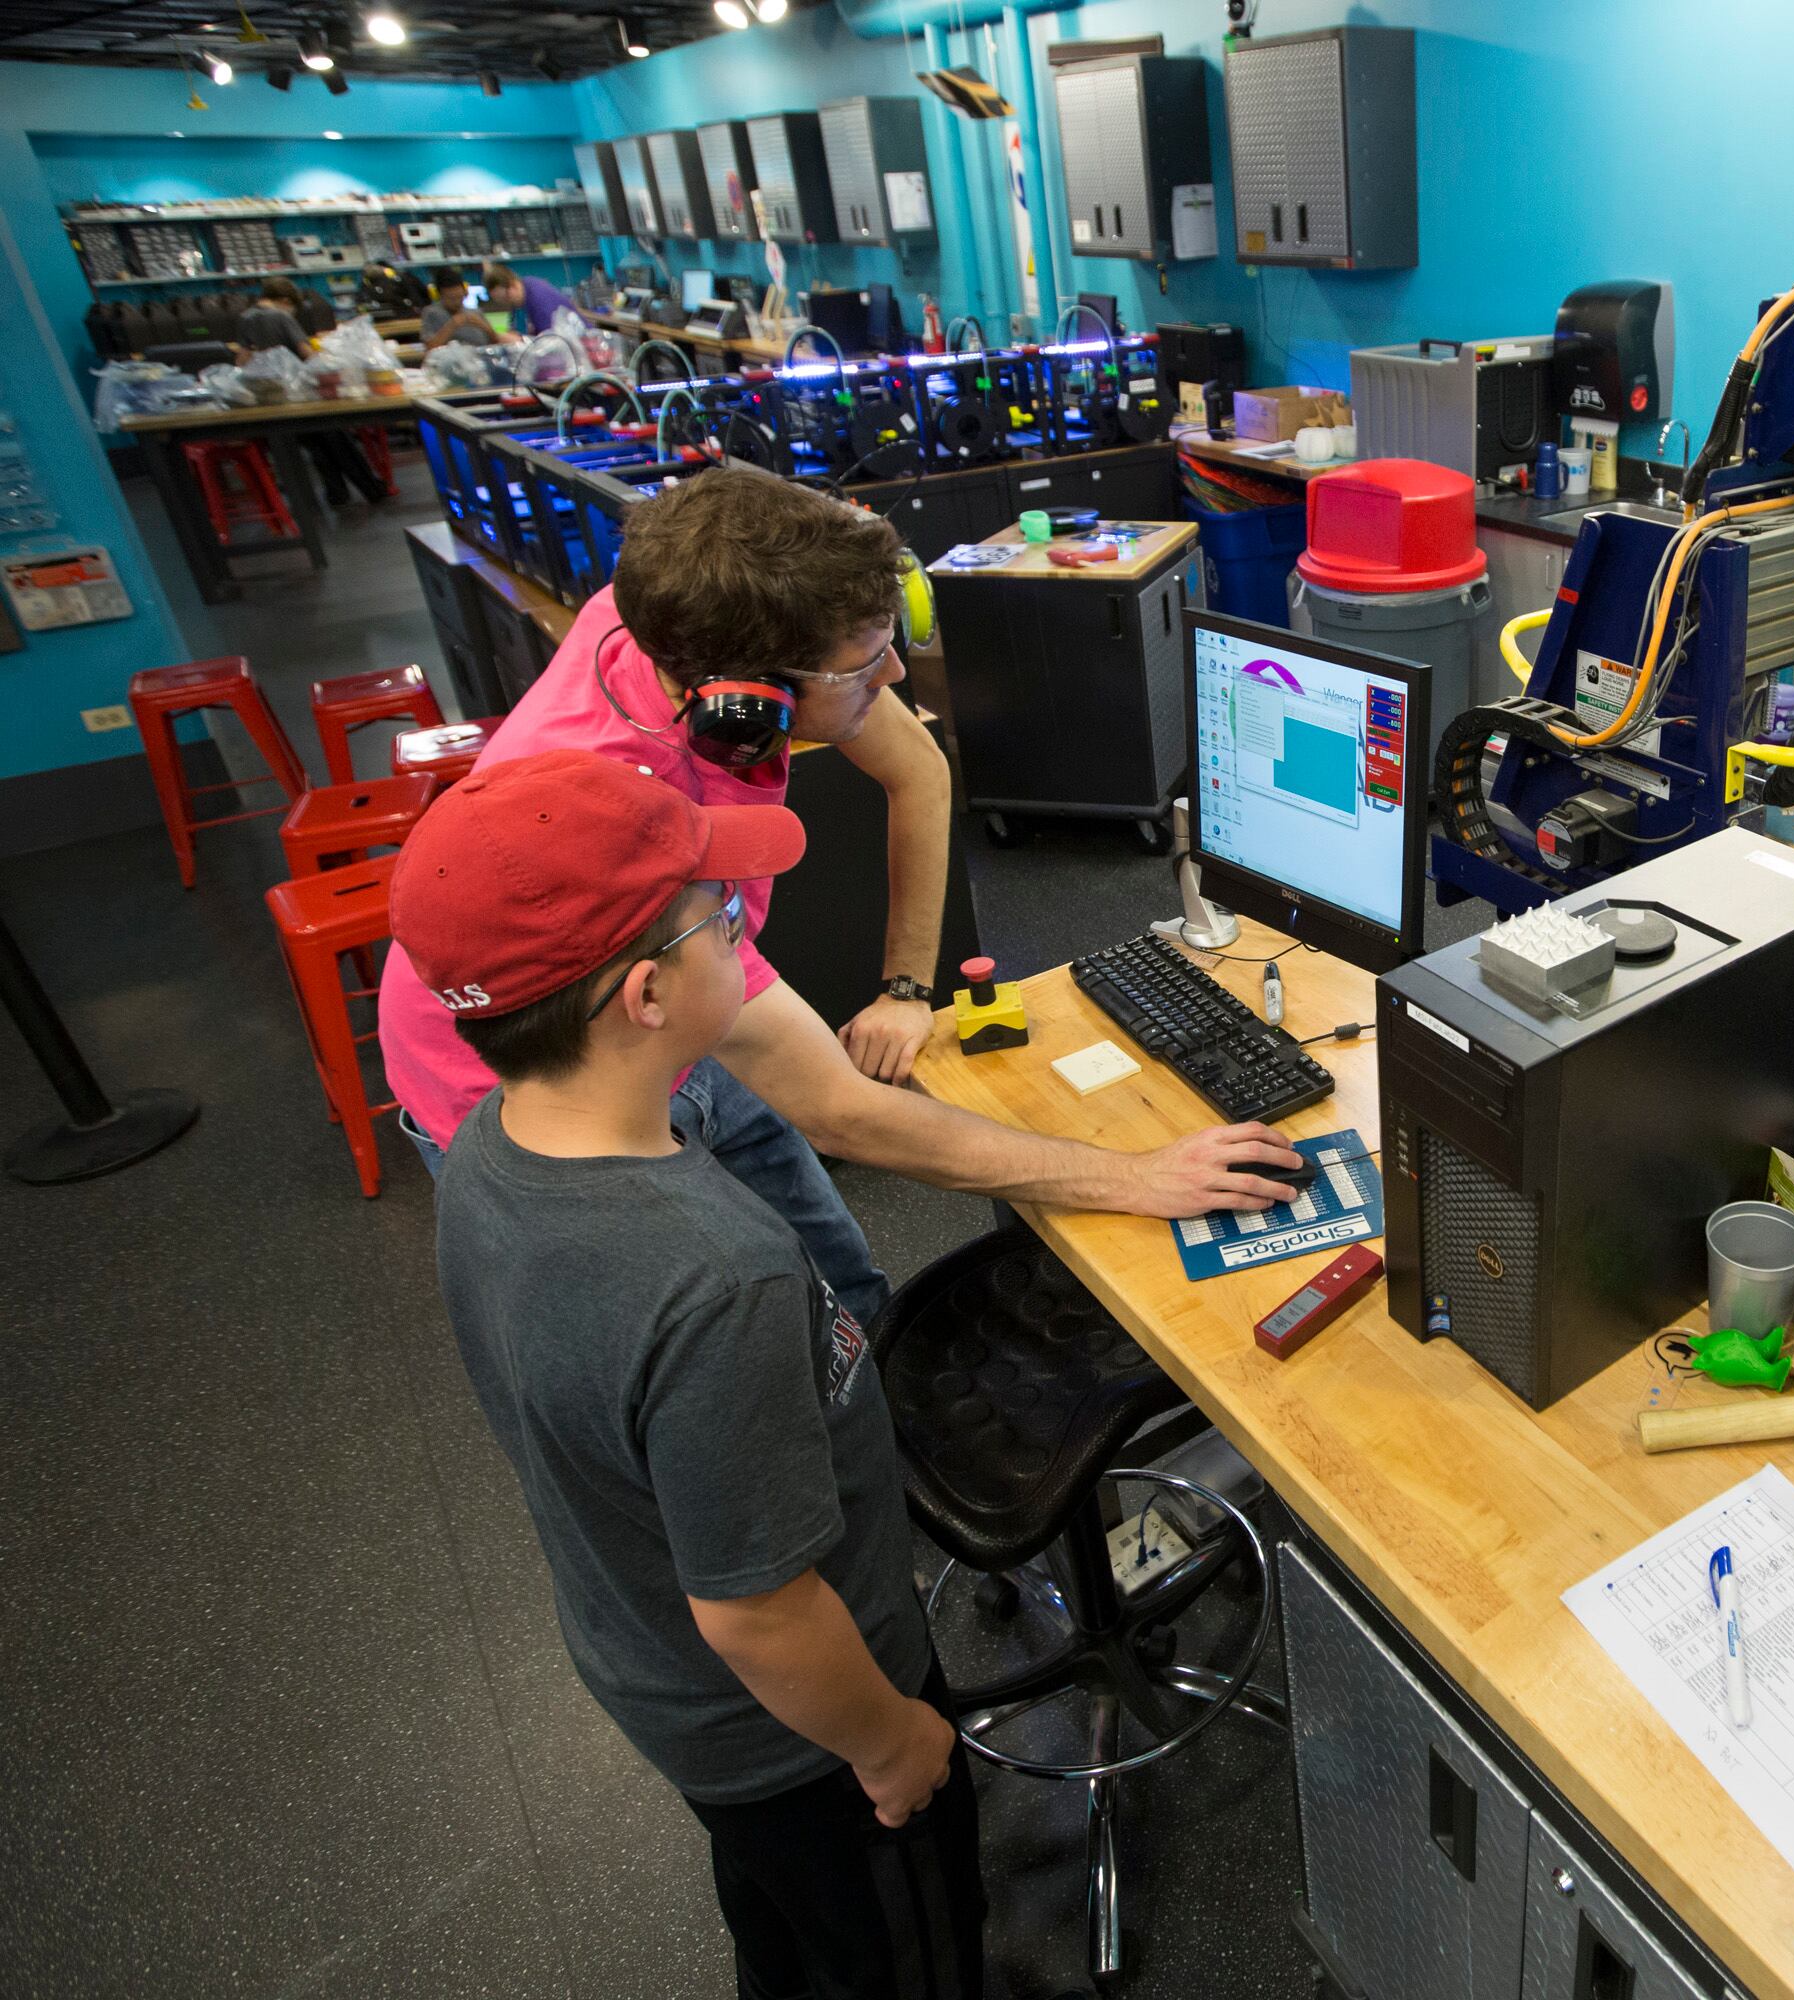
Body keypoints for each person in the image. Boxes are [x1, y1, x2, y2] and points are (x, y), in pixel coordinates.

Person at [375, 466, 1304, 1328]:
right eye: (863, 669)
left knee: (844, 1288)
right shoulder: (618, 809)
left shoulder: (686, 625)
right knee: (720, 1327)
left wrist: (905, 989)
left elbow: (918, 771)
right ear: (750, 702)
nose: (896, 678)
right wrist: (1137, 1178)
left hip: (688, 1005)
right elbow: (839, 1111)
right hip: (535, 1082)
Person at [402, 751, 986, 1997]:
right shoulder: (715, 1275)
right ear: (648, 993)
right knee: (903, 1949)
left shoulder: (481, 1154)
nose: (745, 937)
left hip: (669, 1683)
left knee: (785, 1927)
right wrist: (890, 1741)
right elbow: (759, 1610)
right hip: (817, 1731)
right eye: (723, 918)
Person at [226, 276, 390, 507]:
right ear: (285, 300)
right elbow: (307, 354)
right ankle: (372, 489)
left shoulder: (246, 318)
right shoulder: (280, 316)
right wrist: (336, 365)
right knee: (335, 436)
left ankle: (337, 494)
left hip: (268, 395)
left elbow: (242, 359)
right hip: (298, 391)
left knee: (316, 444)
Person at [481, 259, 572, 339]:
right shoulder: (519, 302)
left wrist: (520, 340)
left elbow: (553, 342)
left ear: (513, 286)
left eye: (505, 298)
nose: (506, 303)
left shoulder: (538, 298)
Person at [418, 266, 495, 350]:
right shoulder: (432, 313)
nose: (456, 302)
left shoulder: (475, 312)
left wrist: (483, 326)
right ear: (440, 296)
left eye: (459, 297)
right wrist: (453, 324)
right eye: (451, 298)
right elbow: (430, 347)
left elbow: (496, 342)